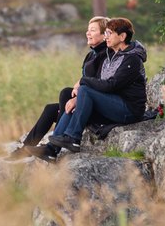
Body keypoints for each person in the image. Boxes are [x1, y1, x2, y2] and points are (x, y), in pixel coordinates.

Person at [11, 16, 110, 161]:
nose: (87, 33)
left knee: (65, 94)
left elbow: (100, 83)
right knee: (51, 108)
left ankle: (54, 144)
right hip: (85, 98)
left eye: (93, 30)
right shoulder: (91, 55)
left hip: (93, 105)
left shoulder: (106, 55)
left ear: (104, 35)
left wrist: (78, 95)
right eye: (87, 30)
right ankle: (25, 149)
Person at [47, 17, 147, 154]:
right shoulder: (111, 56)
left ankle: (73, 138)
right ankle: (51, 150)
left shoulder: (132, 59)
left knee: (85, 90)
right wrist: (78, 98)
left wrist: (83, 81)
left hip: (128, 110)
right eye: (105, 33)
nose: (106, 37)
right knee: (76, 104)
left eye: (109, 33)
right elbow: (101, 83)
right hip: (112, 104)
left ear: (122, 36)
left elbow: (111, 85)